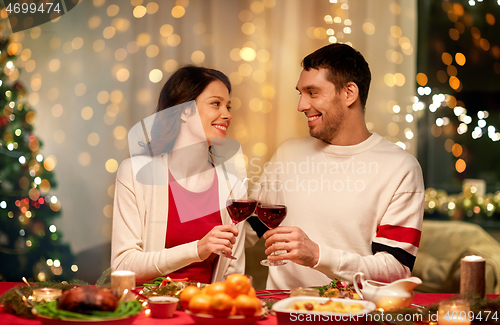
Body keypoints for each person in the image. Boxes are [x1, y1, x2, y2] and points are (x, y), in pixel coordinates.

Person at [254, 43, 424, 289]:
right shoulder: (288, 153)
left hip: (354, 311)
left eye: (312, 93)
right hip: (282, 311)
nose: (301, 105)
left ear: (349, 93)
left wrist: (317, 256)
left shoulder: (401, 168)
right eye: (300, 93)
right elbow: (249, 226)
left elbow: (396, 269)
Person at [111, 66, 248, 283]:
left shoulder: (234, 188)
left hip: (205, 311)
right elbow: (122, 266)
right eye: (216, 103)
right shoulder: (135, 173)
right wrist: (197, 249)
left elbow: (232, 277)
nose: (227, 114)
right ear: (185, 110)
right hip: (150, 311)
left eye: (228, 106)